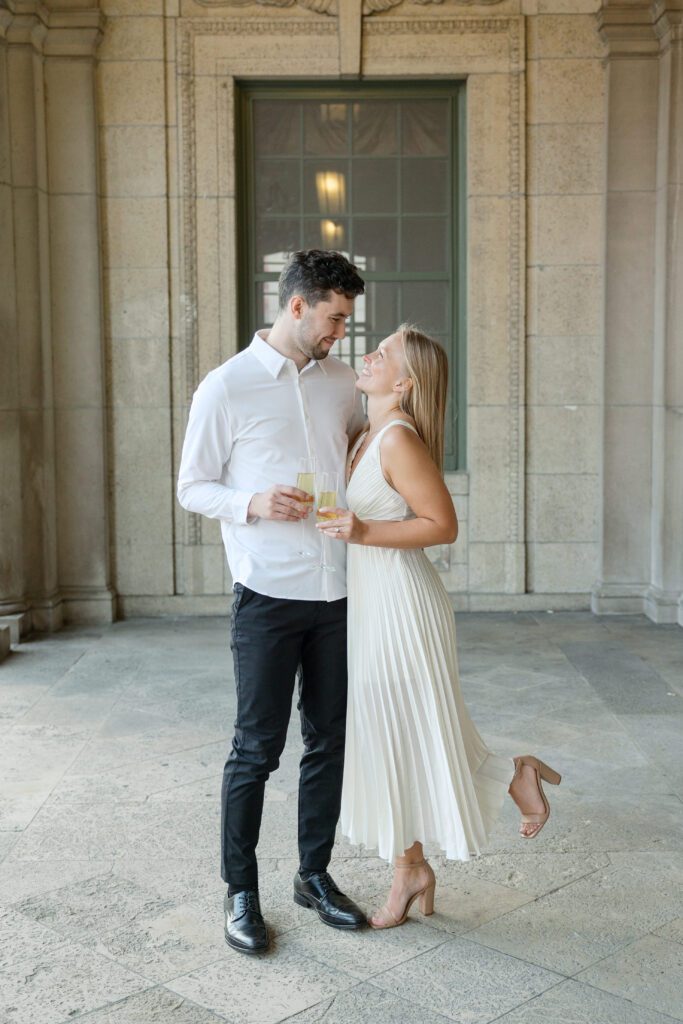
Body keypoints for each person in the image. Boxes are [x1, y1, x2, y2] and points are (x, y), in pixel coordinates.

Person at [317, 324, 562, 929]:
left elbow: (442, 524)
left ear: (404, 383)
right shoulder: (364, 431)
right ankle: (416, 863)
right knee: (396, 732)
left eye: (385, 354)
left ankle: (494, 791)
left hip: (402, 600)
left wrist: (363, 531)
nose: (368, 355)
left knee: (405, 729)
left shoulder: (398, 438)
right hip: (371, 599)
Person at [177, 250, 368, 954]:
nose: (339, 333)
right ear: (295, 305)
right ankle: (240, 892)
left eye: (344, 321)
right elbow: (191, 487)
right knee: (255, 750)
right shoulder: (224, 388)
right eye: (333, 318)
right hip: (267, 592)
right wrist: (251, 501)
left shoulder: (342, 382)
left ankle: (312, 876)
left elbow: (354, 453)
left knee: (329, 739)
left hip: (338, 586)